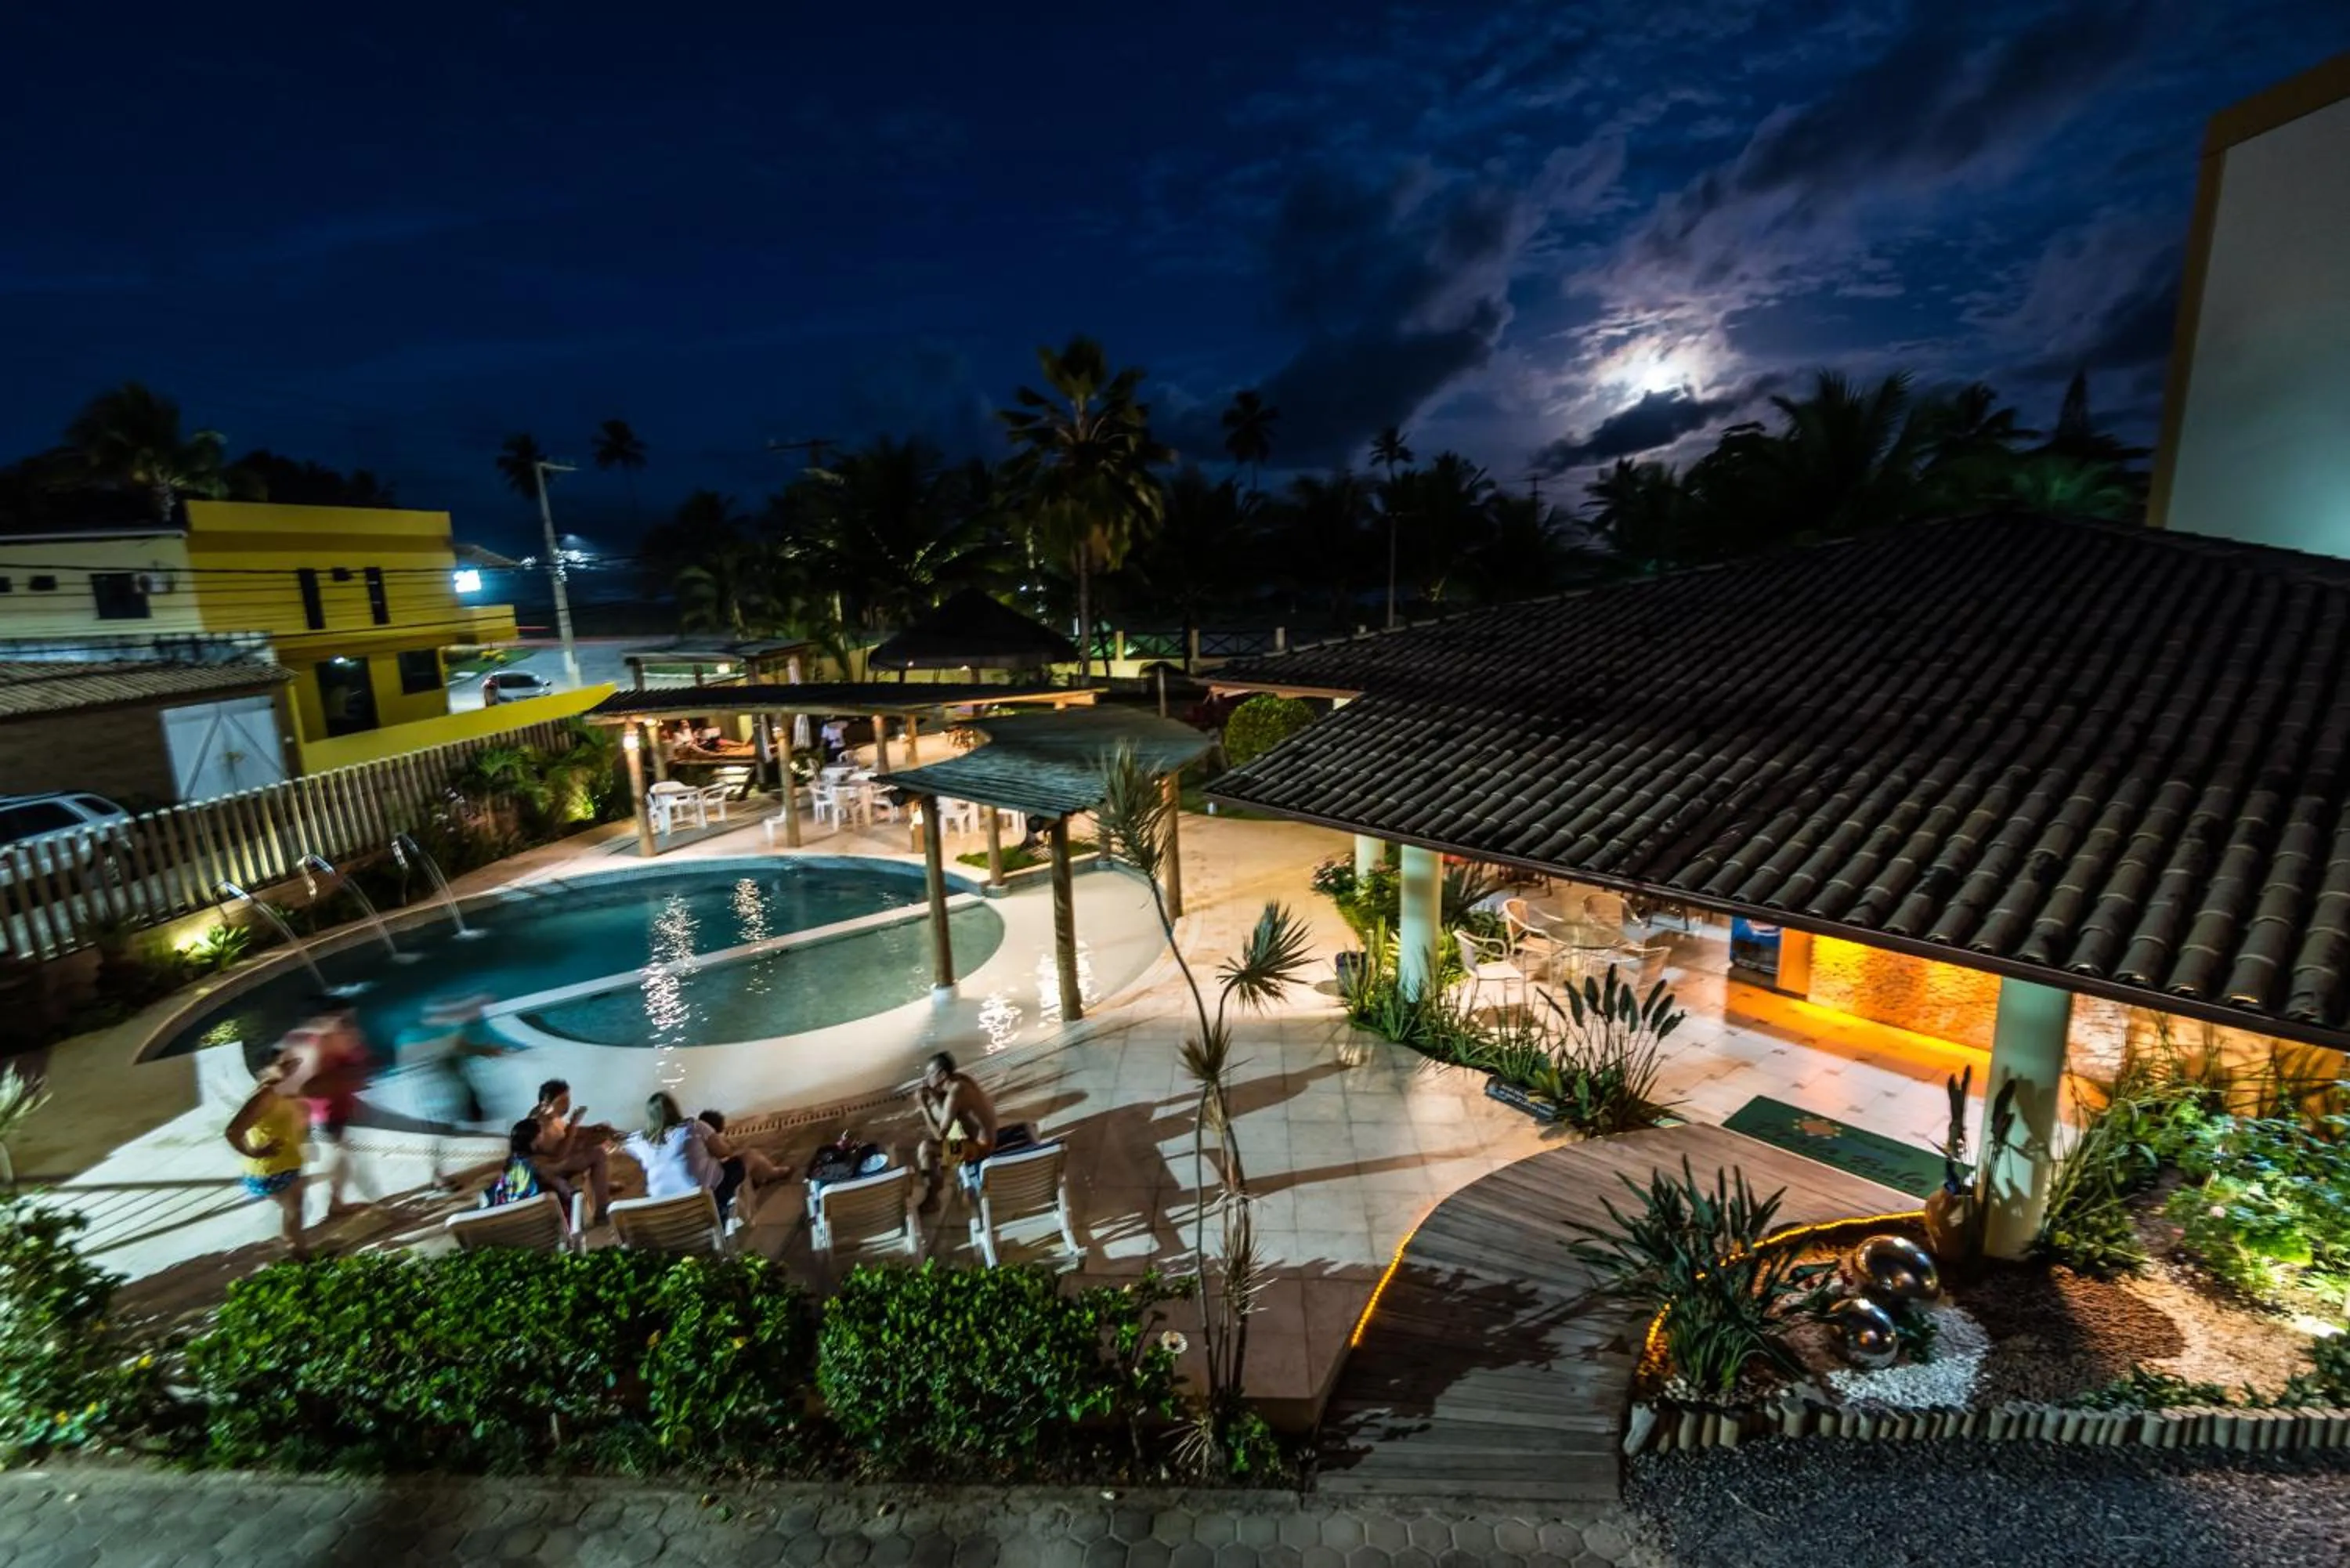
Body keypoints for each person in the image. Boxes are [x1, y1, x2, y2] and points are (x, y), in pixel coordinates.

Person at [280, 999, 371, 1216]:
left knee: (346, 1155)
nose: (348, 1021)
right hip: (329, 1111)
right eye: (342, 1018)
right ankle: (336, 1202)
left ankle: (337, 1200)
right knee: (344, 1156)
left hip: (340, 1107)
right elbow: (309, 1086)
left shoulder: (334, 1039)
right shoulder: (318, 1044)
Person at [226, 1057, 310, 1259]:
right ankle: (300, 1257)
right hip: (271, 1169)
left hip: (286, 1164)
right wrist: (255, 1152)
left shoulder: (287, 1091)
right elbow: (232, 1131)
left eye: (296, 1064)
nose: (294, 1069)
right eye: (286, 1065)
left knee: (294, 1209)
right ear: (268, 1068)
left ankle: (293, 1250)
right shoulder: (267, 1094)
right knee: (294, 1211)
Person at [624, 1092, 749, 1223]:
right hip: (704, 1202)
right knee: (744, 1159)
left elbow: (624, 1140)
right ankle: (767, 1178)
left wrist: (610, 1133)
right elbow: (725, 1152)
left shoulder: (641, 1142)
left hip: (665, 1211)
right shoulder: (694, 1126)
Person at [914, 1050, 999, 1215]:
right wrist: (933, 1094)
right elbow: (947, 1114)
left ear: (942, 1074)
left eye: (929, 1073)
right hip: (980, 1138)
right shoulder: (961, 1081)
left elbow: (940, 1135)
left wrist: (923, 1107)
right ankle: (942, 1179)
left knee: (926, 1148)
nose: (925, 1078)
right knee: (946, 1135)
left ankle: (933, 1199)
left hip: (980, 1149)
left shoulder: (955, 1092)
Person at [482, 1118, 549, 1208]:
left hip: (502, 1209)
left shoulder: (509, 1161)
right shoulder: (536, 1161)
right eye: (542, 1133)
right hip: (526, 1208)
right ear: (535, 1139)